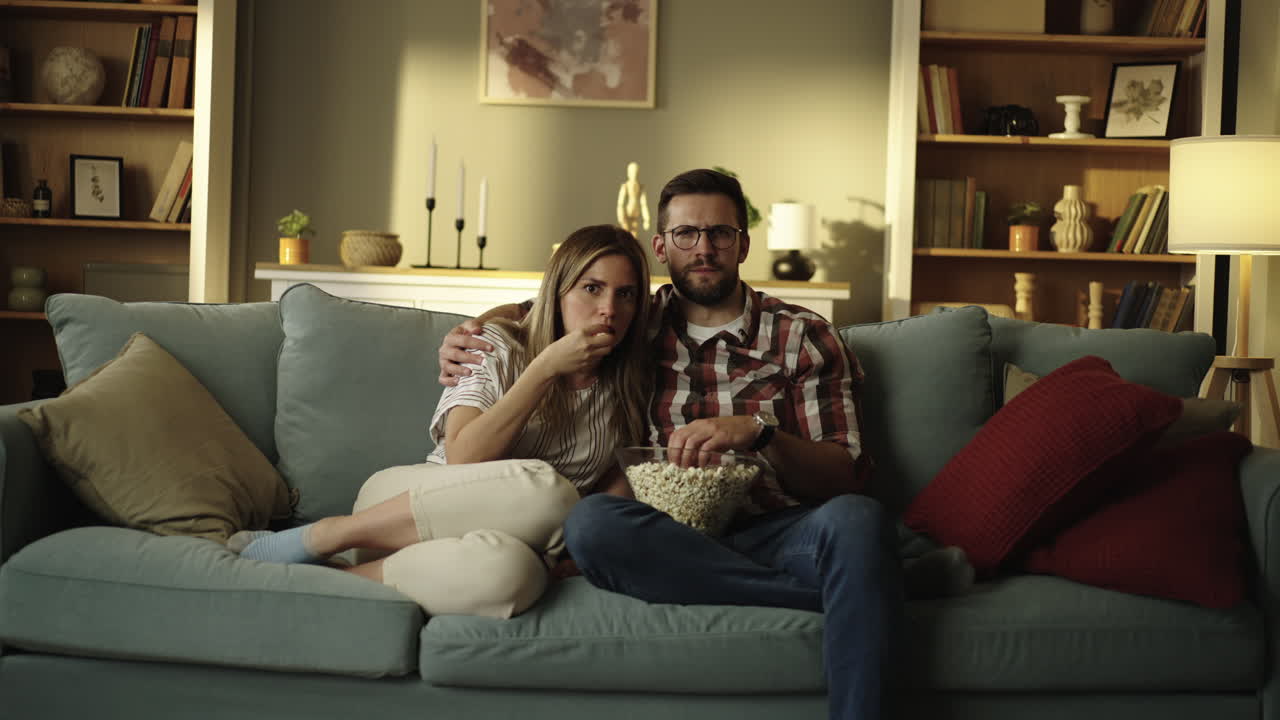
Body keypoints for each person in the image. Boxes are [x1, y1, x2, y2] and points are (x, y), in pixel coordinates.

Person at [438, 169, 899, 719]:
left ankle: (859, 597)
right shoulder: (633, 320)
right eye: (686, 235)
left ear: (743, 244)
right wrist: (473, 327)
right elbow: (552, 308)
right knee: (591, 525)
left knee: (858, 520)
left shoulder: (803, 335)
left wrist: (760, 433)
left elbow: (843, 474)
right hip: (663, 536)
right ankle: (863, 592)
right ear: (661, 246)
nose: (704, 249)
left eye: (720, 234)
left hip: (779, 532)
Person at [233, 224, 652, 619]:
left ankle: (323, 579)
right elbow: (464, 455)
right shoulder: (493, 344)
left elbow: (616, 479)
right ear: (556, 292)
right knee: (553, 496)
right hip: (401, 509)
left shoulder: (631, 382)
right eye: (591, 289)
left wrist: (579, 553)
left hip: (502, 544)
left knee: (514, 578)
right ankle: (328, 535)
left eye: (626, 294)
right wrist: (544, 369)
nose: (608, 310)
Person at [615, 161, 650, 237]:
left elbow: (643, 204)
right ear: (628, 173)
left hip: (636, 212)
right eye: (632, 171)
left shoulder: (640, 187)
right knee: (626, 234)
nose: (634, 173)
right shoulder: (625, 186)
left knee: (634, 235)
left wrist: (646, 219)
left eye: (635, 171)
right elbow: (620, 203)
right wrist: (620, 215)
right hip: (627, 213)